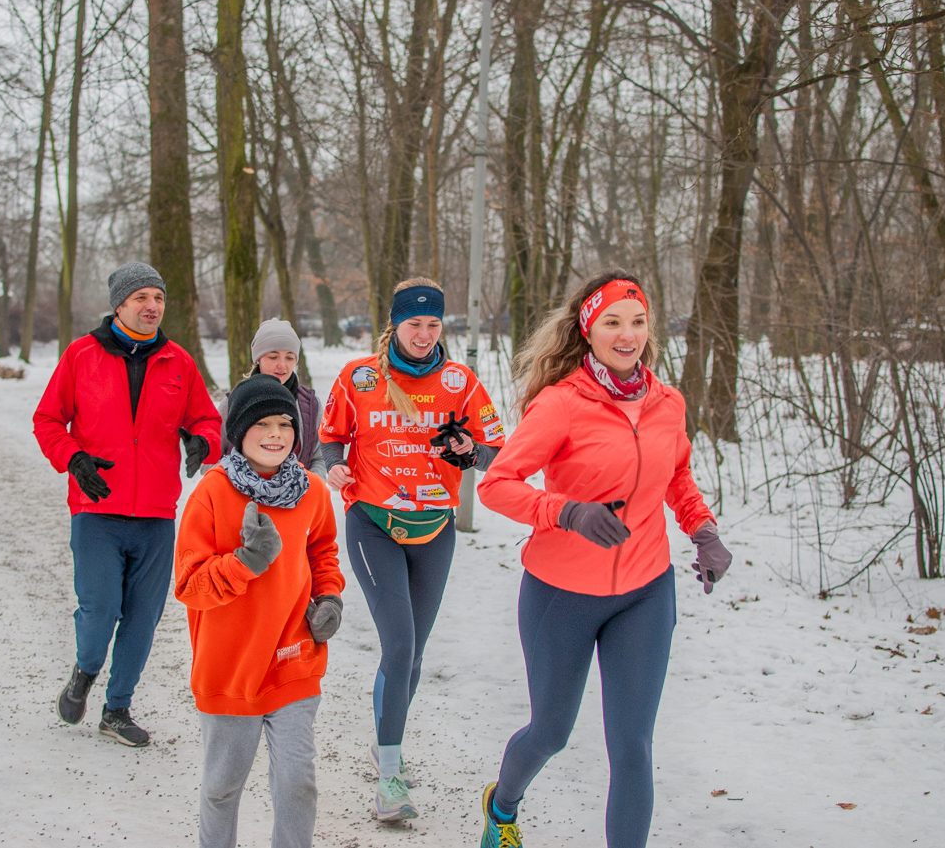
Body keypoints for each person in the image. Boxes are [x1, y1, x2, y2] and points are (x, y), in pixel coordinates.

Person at [474, 270, 733, 848]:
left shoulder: (668, 402)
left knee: (633, 746)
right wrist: (566, 512)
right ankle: (503, 806)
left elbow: (679, 475)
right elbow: (498, 484)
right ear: (588, 330)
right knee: (550, 732)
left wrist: (703, 528)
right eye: (612, 322)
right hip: (560, 594)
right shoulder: (561, 404)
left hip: (644, 591)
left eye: (637, 322)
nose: (627, 334)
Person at [318, 277, 506, 821]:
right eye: (413, 324)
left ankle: (386, 741)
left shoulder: (460, 380)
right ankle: (390, 781)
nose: (424, 334)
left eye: (432, 324)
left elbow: (494, 453)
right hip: (373, 522)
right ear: (394, 324)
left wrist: (469, 450)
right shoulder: (361, 377)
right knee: (399, 647)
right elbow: (330, 436)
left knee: (415, 655)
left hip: (435, 529)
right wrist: (333, 464)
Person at [33, 262, 221, 746]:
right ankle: (85, 670)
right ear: (119, 305)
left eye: (158, 298)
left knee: (142, 617)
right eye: (141, 297)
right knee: (100, 611)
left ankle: (117, 709)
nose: (152, 306)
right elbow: (48, 420)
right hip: (97, 511)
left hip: (156, 516)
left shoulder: (178, 361)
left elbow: (205, 419)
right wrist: (74, 460)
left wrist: (202, 442)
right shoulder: (81, 355)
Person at [175, 373, 344, 848]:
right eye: (263, 425)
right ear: (240, 433)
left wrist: (329, 598)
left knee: (298, 783)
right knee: (222, 788)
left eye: (285, 425)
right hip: (229, 668)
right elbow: (190, 586)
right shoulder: (211, 493)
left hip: (293, 660)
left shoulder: (312, 491)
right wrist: (245, 563)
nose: (276, 435)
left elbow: (323, 554)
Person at [216, 318, 327, 479]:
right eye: (273, 357)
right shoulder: (233, 401)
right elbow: (211, 460)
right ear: (258, 359)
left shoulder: (311, 405)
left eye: (289, 357)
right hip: (242, 501)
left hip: (296, 501)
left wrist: (308, 488)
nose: (282, 365)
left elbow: (320, 458)